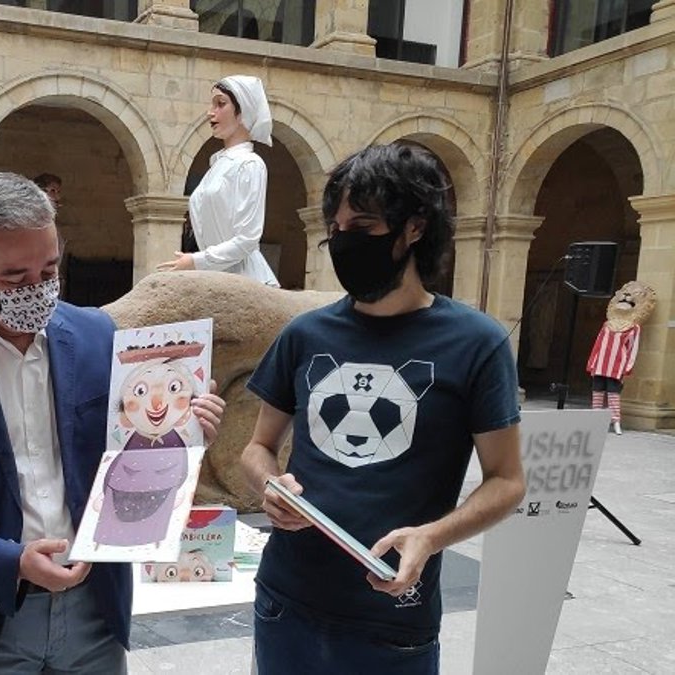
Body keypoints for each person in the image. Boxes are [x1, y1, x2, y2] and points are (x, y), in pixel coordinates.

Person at [0, 172, 226, 674]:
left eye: (49, 270)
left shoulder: (97, 335)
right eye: (16, 279)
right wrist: (11, 562)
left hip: (95, 609)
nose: (37, 290)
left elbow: (128, 455)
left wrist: (182, 435)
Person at [241, 144, 526, 675]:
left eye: (363, 226)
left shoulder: (477, 344)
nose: (344, 241)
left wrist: (432, 537)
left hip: (394, 618)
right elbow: (258, 447)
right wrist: (270, 484)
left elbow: (507, 481)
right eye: (336, 228)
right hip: (285, 601)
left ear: (414, 227)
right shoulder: (305, 334)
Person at [157, 75, 279, 286]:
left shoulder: (250, 164)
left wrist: (197, 261)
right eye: (212, 104)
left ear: (242, 112)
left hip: (246, 281)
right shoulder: (218, 165)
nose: (210, 112)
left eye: (221, 104)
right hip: (216, 277)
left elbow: (247, 239)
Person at [586, 280, 657, 435]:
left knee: (613, 394)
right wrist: (592, 362)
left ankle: (615, 420)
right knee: (597, 391)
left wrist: (627, 368)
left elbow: (633, 349)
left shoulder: (633, 328)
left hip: (616, 366)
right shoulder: (607, 325)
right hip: (600, 364)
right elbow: (598, 345)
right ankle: (595, 419)